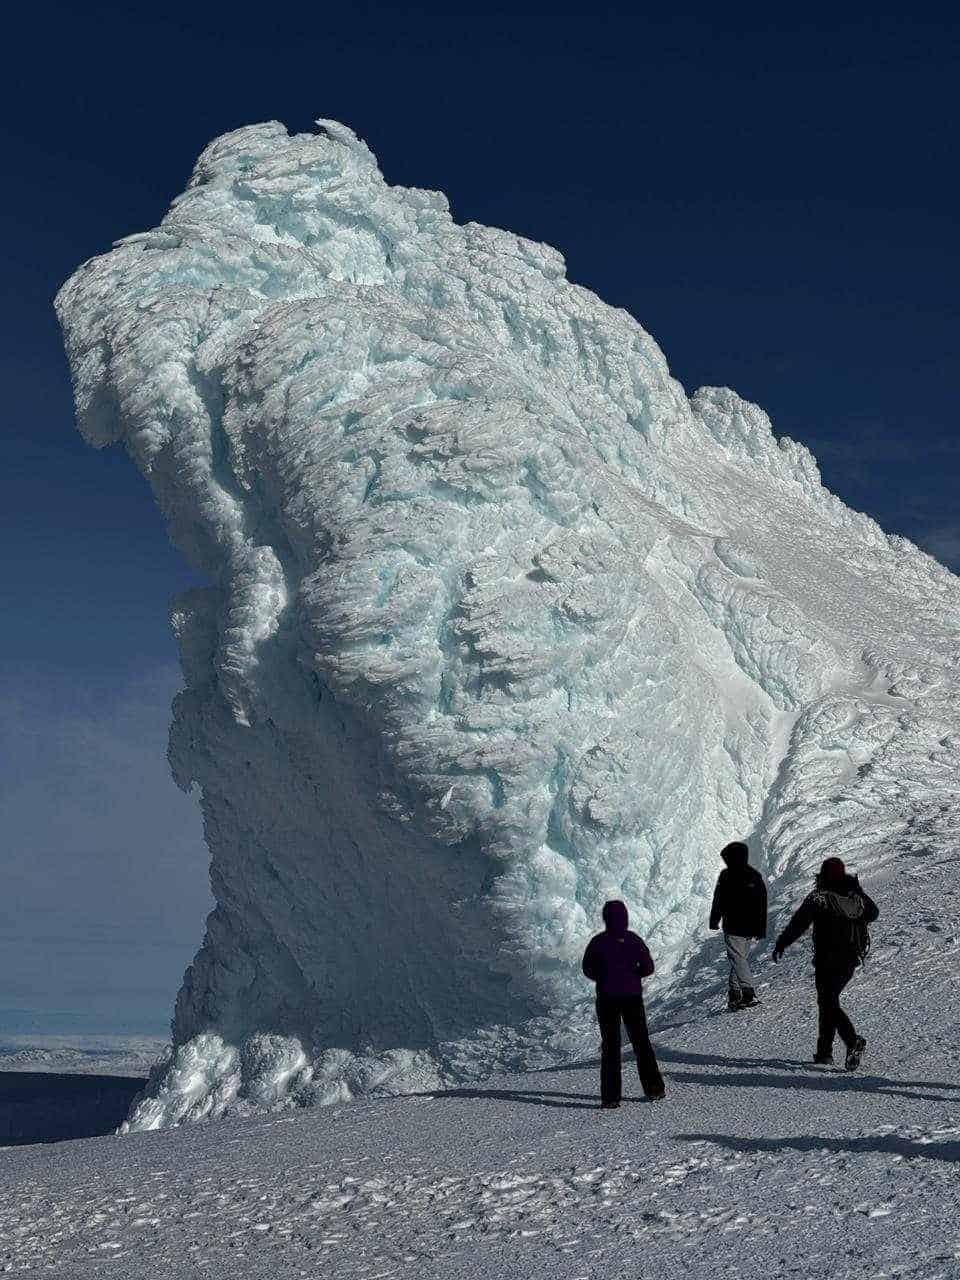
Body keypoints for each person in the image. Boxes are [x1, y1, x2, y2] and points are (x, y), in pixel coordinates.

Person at [772, 856, 879, 1070]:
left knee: (828, 1002)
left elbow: (799, 923)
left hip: (826, 959)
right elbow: (873, 913)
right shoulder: (854, 894)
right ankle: (824, 1053)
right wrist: (858, 892)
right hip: (850, 959)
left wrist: (782, 943)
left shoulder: (819, 897)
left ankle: (851, 1041)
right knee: (828, 1002)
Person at [582, 900, 665, 1109]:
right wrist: (632, 975)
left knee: (610, 1046)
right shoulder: (633, 940)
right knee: (641, 1042)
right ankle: (654, 1089)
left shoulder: (598, 942)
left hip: (607, 998)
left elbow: (587, 969)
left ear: (606, 918)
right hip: (632, 997)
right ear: (625, 918)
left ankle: (611, 1098)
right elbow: (648, 967)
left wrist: (604, 977)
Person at [709, 840, 768, 1010]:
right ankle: (734, 994)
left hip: (734, 926)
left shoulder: (726, 875)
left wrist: (714, 920)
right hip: (750, 926)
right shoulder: (754, 875)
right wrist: (761, 927)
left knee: (738, 959)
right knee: (739, 959)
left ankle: (748, 993)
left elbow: (718, 900)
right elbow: (762, 903)